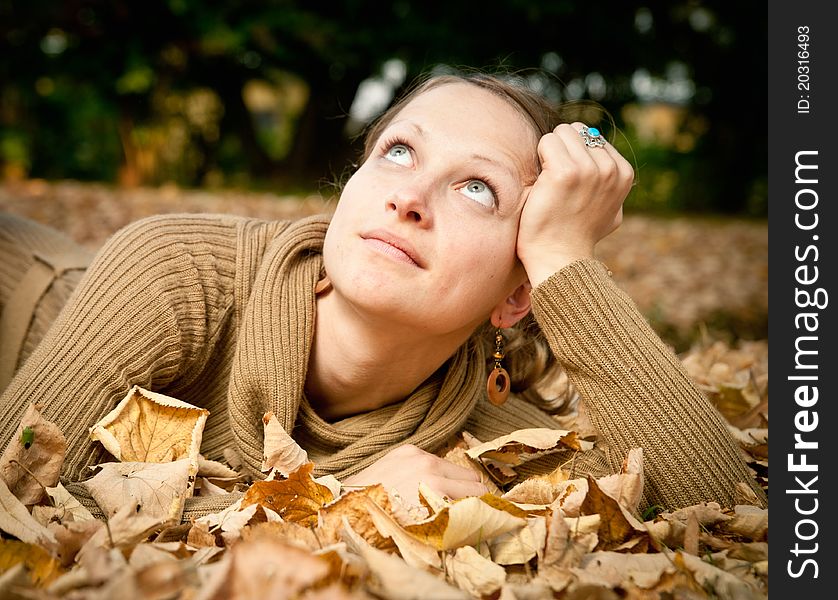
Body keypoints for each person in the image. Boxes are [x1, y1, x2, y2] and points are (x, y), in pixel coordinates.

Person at [0, 72, 766, 520]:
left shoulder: (484, 427)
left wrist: (565, 257)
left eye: (475, 188)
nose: (411, 198)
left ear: (514, 293)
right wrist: (339, 501)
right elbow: (15, 481)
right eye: (399, 152)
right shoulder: (174, 271)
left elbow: (727, 515)